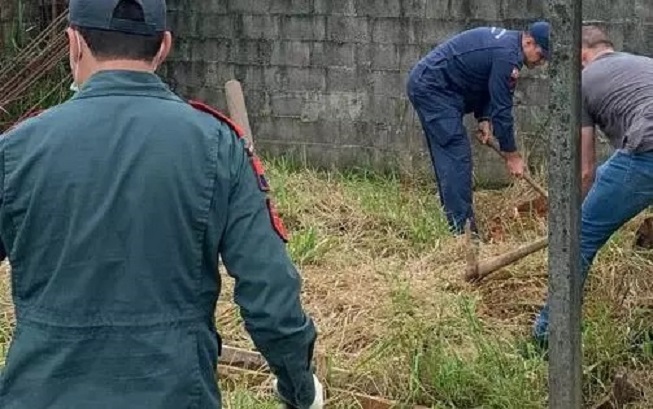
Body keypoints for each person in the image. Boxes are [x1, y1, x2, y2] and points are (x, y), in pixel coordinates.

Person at [0, 1, 324, 408]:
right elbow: (270, 293)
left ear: (74, 43)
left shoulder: (16, 151)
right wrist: (299, 386)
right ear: (164, 46)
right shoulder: (218, 145)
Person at [532, 25, 653, 346]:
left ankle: (547, 337)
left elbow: (586, 170)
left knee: (578, 241)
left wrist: (568, 219)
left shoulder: (580, 82)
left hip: (648, 149)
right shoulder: (642, 63)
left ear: (580, 55)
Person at [406, 22, 550, 237]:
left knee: (451, 155)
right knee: (456, 154)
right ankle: (463, 233)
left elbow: (485, 81)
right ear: (529, 41)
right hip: (433, 89)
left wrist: (484, 117)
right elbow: (503, 109)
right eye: (541, 54)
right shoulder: (508, 57)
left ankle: (455, 220)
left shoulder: (509, 48)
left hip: (442, 89)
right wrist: (512, 155)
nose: (542, 62)